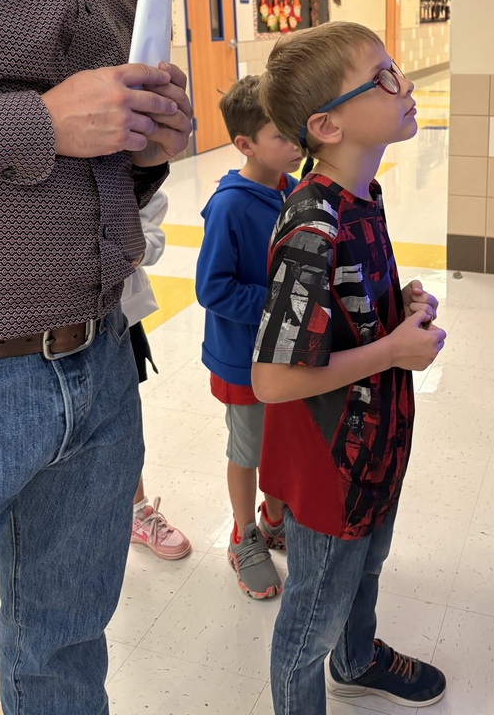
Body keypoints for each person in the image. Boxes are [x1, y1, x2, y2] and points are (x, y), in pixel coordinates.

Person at [0, 0, 198, 711]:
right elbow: (52, 130)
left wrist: (147, 149)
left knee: (64, 650)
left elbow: (108, 171)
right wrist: (44, 121)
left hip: (101, 370)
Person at [252, 22, 448, 713]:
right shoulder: (313, 227)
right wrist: (393, 351)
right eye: (385, 76)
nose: (407, 85)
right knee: (311, 617)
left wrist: (401, 307)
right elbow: (272, 379)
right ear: (328, 125)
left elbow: (344, 307)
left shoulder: (363, 195)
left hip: (377, 446)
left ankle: (358, 658)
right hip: (332, 463)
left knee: (365, 568)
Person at [196, 76, 303, 599]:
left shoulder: (290, 189)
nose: (295, 144)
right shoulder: (230, 207)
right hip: (244, 360)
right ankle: (245, 534)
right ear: (246, 144)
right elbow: (211, 288)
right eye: (282, 136)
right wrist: (275, 304)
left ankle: (276, 514)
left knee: (284, 439)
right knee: (248, 447)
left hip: (288, 354)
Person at [122, 189, 192, 561]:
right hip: (23, 326)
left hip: (115, 318)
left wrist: (118, 243)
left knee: (121, 422)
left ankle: (135, 513)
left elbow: (149, 239)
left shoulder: (125, 173)